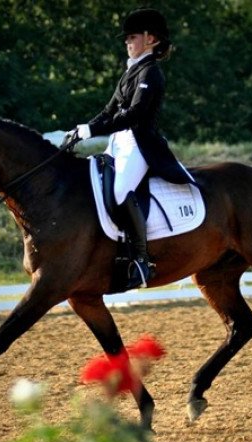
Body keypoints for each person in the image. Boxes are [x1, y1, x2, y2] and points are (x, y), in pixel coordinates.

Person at [71, 8, 195, 290]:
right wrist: (83, 130)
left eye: (132, 36)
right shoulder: (131, 71)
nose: (127, 41)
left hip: (141, 144)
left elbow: (135, 114)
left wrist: (94, 131)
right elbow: (109, 110)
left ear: (150, 39)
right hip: (119, 142)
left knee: (120, 191)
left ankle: (141, 260)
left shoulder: (151, 72)